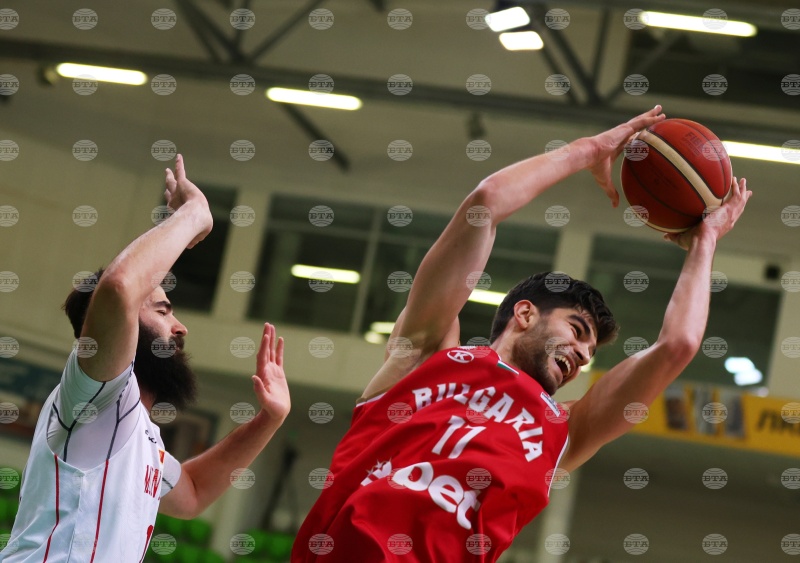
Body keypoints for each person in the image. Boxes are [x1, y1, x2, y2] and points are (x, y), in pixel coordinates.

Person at [291, 106, 751, 562]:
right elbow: (485, 203)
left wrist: (705, 241)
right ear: (525, 314)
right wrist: (587, 150)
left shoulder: (565, 432)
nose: (582, 354)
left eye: (589, 351)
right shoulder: (426, 354)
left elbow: (678, 346)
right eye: (576, 330)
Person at [1, 155, 291, 562]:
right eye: (162, 310)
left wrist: (269, 419)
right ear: (122, 327)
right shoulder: (96, 394)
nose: (180, 327)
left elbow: (192, 493)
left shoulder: (136, 429)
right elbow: (119, 287)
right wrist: (193, 214)